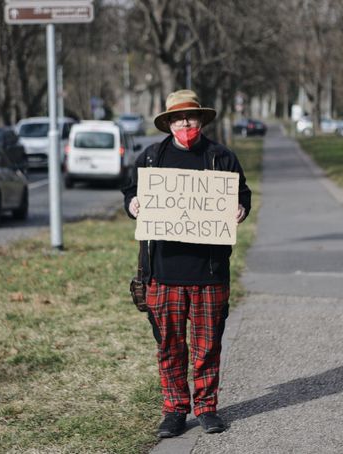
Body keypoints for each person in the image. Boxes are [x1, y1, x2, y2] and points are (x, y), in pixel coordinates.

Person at [121, 89, 252, 438]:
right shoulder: (151, 159)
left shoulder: (221, 157)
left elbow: (243, 194)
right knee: (170, 345)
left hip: (209, 273)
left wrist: (240, 208)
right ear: (168, 123)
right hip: (163, 272)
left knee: (208, 344)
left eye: (190, 117)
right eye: (178, 118)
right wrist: (133, 203)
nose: (185, 123)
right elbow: (130, 192)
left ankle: (207, 408)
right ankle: (175, 410)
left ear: (201, 120)